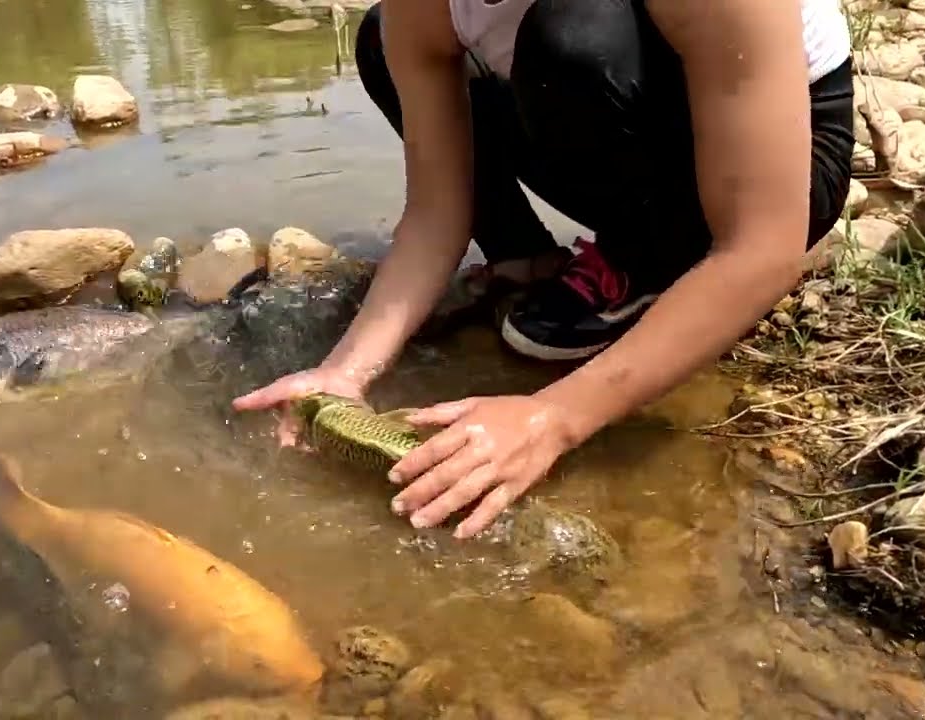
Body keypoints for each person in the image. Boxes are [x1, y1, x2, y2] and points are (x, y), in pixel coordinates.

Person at [233, 0, 855, 540]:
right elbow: (435, 211)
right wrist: (344, 372)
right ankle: (527, 259)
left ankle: (648, 263)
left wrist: (552, 418)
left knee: (570, 36)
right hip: (614, 110)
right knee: (381, 37)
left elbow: (762, 248)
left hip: (783, 156)